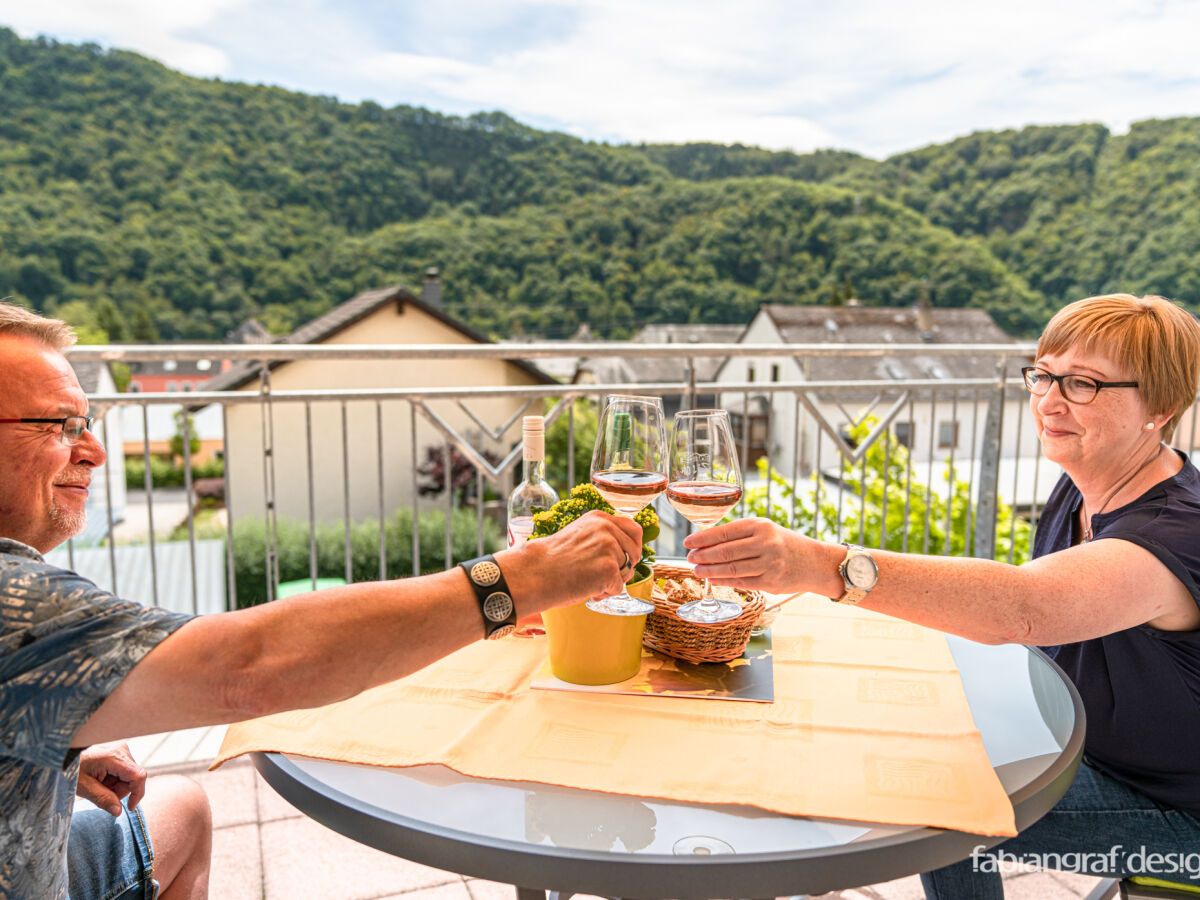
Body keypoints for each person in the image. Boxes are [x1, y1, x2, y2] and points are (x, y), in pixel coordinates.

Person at [0, 301, 643, 900]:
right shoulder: (16, 601)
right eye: (59, 426)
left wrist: (51, 758)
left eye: (86, 423)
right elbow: (248, 666)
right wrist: (520, 577)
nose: (94, 450)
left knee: (185, 810)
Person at [684, 294, 1200, 898]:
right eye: (1044, 374)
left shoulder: (1175, 532)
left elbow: (1024, 608)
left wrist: (822, 565)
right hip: (1079, 740)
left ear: (1159, 408)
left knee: (933, 798)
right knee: (895, 728)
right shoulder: (1089, 484)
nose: (1049, 401)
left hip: (1172, 809)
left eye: (1083, 383)